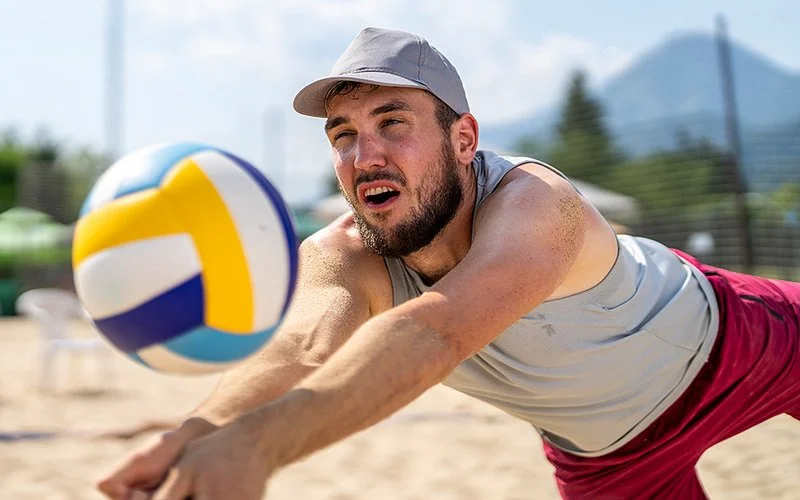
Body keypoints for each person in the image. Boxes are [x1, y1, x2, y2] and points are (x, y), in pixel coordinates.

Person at [97, 27, 800, 500]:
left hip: (742, 342)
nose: (363, 154)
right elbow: (304, 349)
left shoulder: (534, 201)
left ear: (464, 138)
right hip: (608, 452)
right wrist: (190, 436)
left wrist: (261, 445)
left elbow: (437, 330)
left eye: (392, 122)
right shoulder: (346, 251)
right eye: (344, 134)